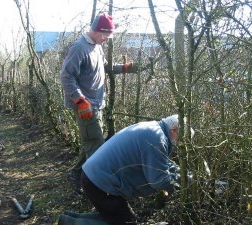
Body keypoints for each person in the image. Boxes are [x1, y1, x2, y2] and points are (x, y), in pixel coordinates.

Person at [58, 114, 194, 225]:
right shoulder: (157, 139)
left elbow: (162, 164)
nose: (182, 143)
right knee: (126, 222)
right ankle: (71, 222)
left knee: (117, 217)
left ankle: (70, 219)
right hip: (100, 183)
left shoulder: (154, 130)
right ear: (174, 130)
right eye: (183, 139)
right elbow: (158, 180)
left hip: (95, 178)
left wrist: (182, 174)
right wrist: (183, 183)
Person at [60, 12, 138, 194]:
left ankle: (76, 174)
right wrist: (80, 101)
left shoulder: (96, 47)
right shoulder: (79, 47)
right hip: (86, 107)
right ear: (97, 31)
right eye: (105, 35)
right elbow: (66, 76)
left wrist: (124, 68)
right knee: (96, 147)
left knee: (92, 142)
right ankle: (94, 188)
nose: (106, 39)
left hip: (97, 105)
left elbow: (104, 66)